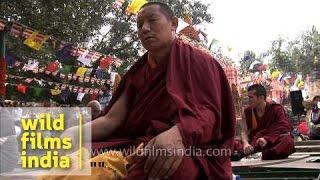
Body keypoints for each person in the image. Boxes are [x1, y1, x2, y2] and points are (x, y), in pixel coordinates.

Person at [64, 2, 235, 179]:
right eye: (139, 25)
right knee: (69, 159)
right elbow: (111, 120)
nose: (144, 29)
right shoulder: (138, 72)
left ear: (174, 24)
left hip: (190, 145)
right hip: (135, 145)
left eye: (152, 20)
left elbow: (210, 115)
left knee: (164, 167)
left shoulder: (200, 61)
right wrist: (72, 133)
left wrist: (178, 134)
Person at [233, 84, 295, 161]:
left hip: (272, 141)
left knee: (288, 140)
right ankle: (255, 154)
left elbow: (283, 128)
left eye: (251, 97)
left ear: (261, 98)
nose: (248, 100)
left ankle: (260, 155)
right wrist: (246, 144)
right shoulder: (247, 112)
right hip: (254, 143)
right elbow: (243, 131)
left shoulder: (276, 109)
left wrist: (266, 139)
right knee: (233, 143)